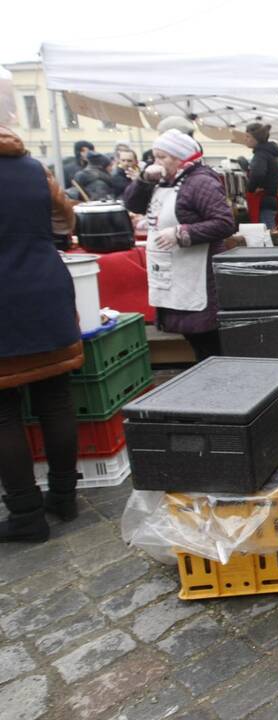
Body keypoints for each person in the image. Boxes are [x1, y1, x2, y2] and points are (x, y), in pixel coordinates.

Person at [0, 126, 84, 542]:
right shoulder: (33, 169)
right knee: (55, 398)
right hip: (44, 285)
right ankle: (65, 496)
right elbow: (65, 219)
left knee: (2, 412)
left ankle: (26, 514)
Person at [122, 129, 235, 360]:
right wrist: (143, 180)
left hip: (199, 275)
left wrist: (182, 233)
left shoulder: (201, 182)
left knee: (208, 340)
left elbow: (224, 223)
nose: (157, 163)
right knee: (197, 341)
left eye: (162, 157)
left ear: (181, 158)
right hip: (172, 270)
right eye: (155, 157)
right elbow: (132, 203)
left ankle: (217, 380)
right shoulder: (160, 182)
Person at [243, 122, 278, 229]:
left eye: (247, 136)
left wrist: (251, 188)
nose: (245, 139)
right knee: (269, 231)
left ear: (256, 138)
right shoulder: (270, 153)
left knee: (267, 233)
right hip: (271, 198)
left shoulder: (261, 154)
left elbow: (258, 173)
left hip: (264, 199)